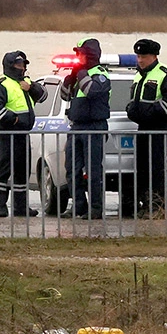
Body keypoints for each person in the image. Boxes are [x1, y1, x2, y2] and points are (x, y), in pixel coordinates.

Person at [125, 39, 167, 217]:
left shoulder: (165, 74)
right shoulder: (138, 75)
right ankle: (146, 204)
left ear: (154, 56)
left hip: (159, 127)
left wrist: (150, 112)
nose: (140, 60)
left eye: (144, 56)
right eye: (138, 56)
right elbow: (134, 100)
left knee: (156, 168)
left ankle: (158, 207)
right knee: (142, 168)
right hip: (143, 127)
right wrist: (131, 111)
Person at [0, 51, 46, 218]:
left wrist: (31, 87)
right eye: (19, 65)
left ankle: (20, 207)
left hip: (23, 136)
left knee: (22, 172)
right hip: (7, 135)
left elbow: (43, 96)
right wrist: (16, 120)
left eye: (24, 65)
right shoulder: (0, 85)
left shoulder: (26, 82)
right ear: (10, 66)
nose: (23, 68)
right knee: (3, 172)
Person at [60, 38, 111, 219]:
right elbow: (64, 96)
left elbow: (92, 91)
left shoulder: (100, 74)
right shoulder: (79, 73)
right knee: (71, 169)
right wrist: (70, 78)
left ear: (89, 55)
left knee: (93, 170)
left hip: (94, 127)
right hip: (77, 126)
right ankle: (79, 206)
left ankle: (96, 209)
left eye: (80, 53)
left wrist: (81, 74)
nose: (78, 56)